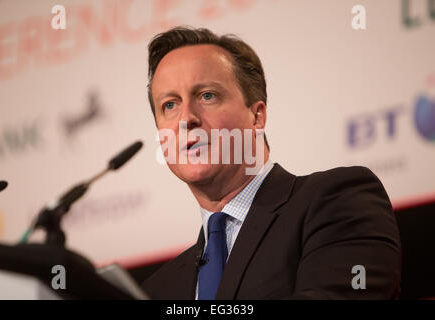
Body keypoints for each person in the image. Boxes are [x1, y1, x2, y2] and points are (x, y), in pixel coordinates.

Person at [141, 26, 401, 299]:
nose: (186, 119)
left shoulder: (339, 202)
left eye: (207, 95)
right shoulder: (157, 290)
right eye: (169, 105)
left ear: (257, 117)